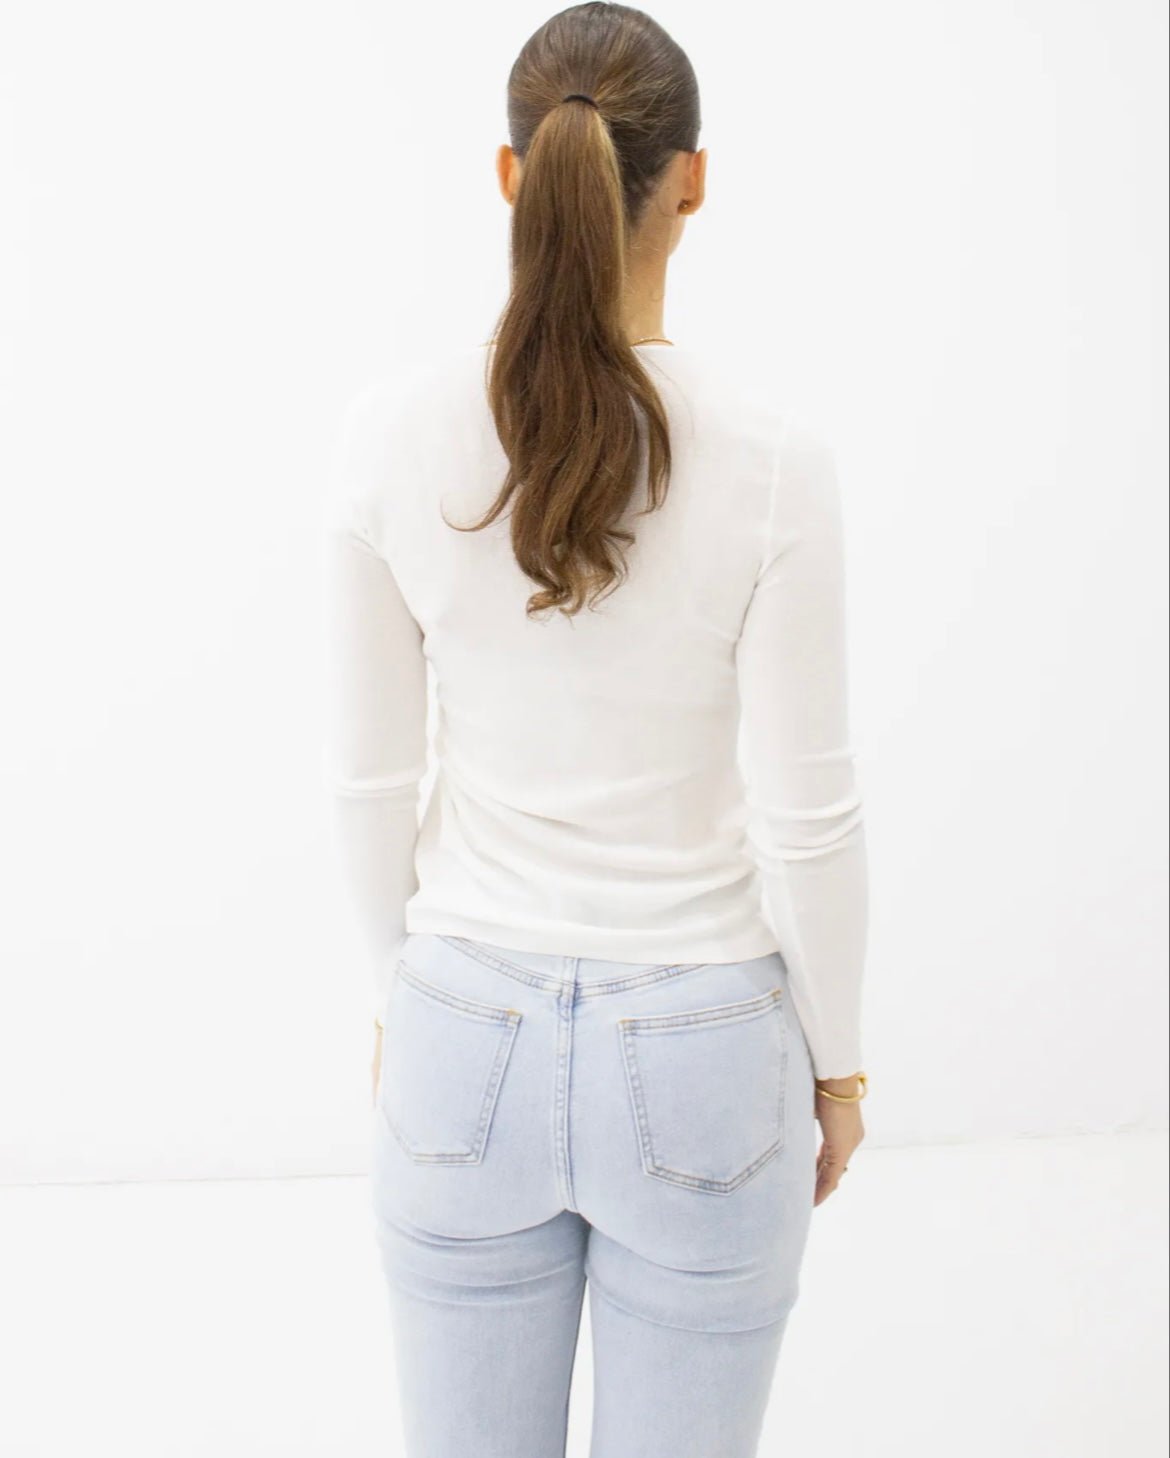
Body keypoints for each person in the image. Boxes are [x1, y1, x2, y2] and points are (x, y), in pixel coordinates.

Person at [321, 4, 869, 1454]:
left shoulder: (388, 434)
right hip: (705, 1054)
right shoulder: (775, 464)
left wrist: (403, 1004)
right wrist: (839, 1064)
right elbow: (809, 815)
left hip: (460, 1037)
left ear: (511, 176)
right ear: (691, 182)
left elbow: (369, 785)